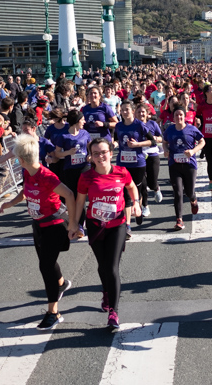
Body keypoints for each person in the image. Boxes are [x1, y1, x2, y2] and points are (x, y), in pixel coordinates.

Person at [0, 134, 76, 329]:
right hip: (38, 225)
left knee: (45, 267)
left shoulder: (46, 176)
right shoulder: (28, 173)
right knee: (47, 263)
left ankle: (53, 313)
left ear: (21, 160)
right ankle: (61, 284)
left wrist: (73, 224)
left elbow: (69, 194)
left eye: (17, 158)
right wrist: (10, 203)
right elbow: (25, 192)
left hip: (55, 224)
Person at [69, 138, 139, 332]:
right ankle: (106, 292)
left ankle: (114, 312)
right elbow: (80, 201)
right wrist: (74, 223)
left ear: (111, 153)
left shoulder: (121, 172)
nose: (100, 156)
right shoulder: (86, 177)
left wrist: (136, 203)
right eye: (96, 153)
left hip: (117, 225)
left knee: (112, 266)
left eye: (103, 152)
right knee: (102, 265)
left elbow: (132, 187)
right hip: (96, 225)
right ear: (91, 157)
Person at [163, 106, 205, 230]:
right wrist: (165, 150)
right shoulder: (169, 130)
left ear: (185, 116)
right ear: (173, 117)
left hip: (189, 165)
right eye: (176, 115)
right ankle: (179, 220)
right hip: (174, 164)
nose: (179, 117)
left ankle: (193, 200)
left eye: (181, 114)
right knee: (178, 193)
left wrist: (193, 151)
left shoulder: (191, 129)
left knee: (189, 192)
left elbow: (202, 142)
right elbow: (164, 142)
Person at [114, 102, 154, 232]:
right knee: (125, 193)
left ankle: (138, 206)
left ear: (132, 111)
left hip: (138, 163)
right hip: (122, 163)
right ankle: (127, 225)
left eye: (127, 110)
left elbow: (152, 141)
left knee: (136, 189)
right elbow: (116, 140)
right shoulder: (118, 126)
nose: (124, 112)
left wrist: (137, 145)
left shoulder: (140, 125)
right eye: (122, 110)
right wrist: (113, 144)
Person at [54, 110, 92, 239]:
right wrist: (68, 153)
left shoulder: (85, 133)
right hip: (70, 170)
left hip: (85, 168)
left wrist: (90, 156)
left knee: (85, 196)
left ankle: (83, 223)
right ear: (76, 121)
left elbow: (91, 147)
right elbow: (57, 153)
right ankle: (76, 223)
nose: (84, 122)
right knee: (75, 198)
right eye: (82, 119)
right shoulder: (63, 136)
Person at [136, 103, 163, 205]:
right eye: (138, 112)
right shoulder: (133, 125)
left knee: (151, 183)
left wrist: (154, 138)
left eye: (143, 112)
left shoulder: (152, 124)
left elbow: (161, 138)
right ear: (135, 114)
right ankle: (145, 206)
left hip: (152, 154)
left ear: (147, 113)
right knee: (142, 183)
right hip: (139, 156)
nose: (141, 114)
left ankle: (156, 188)